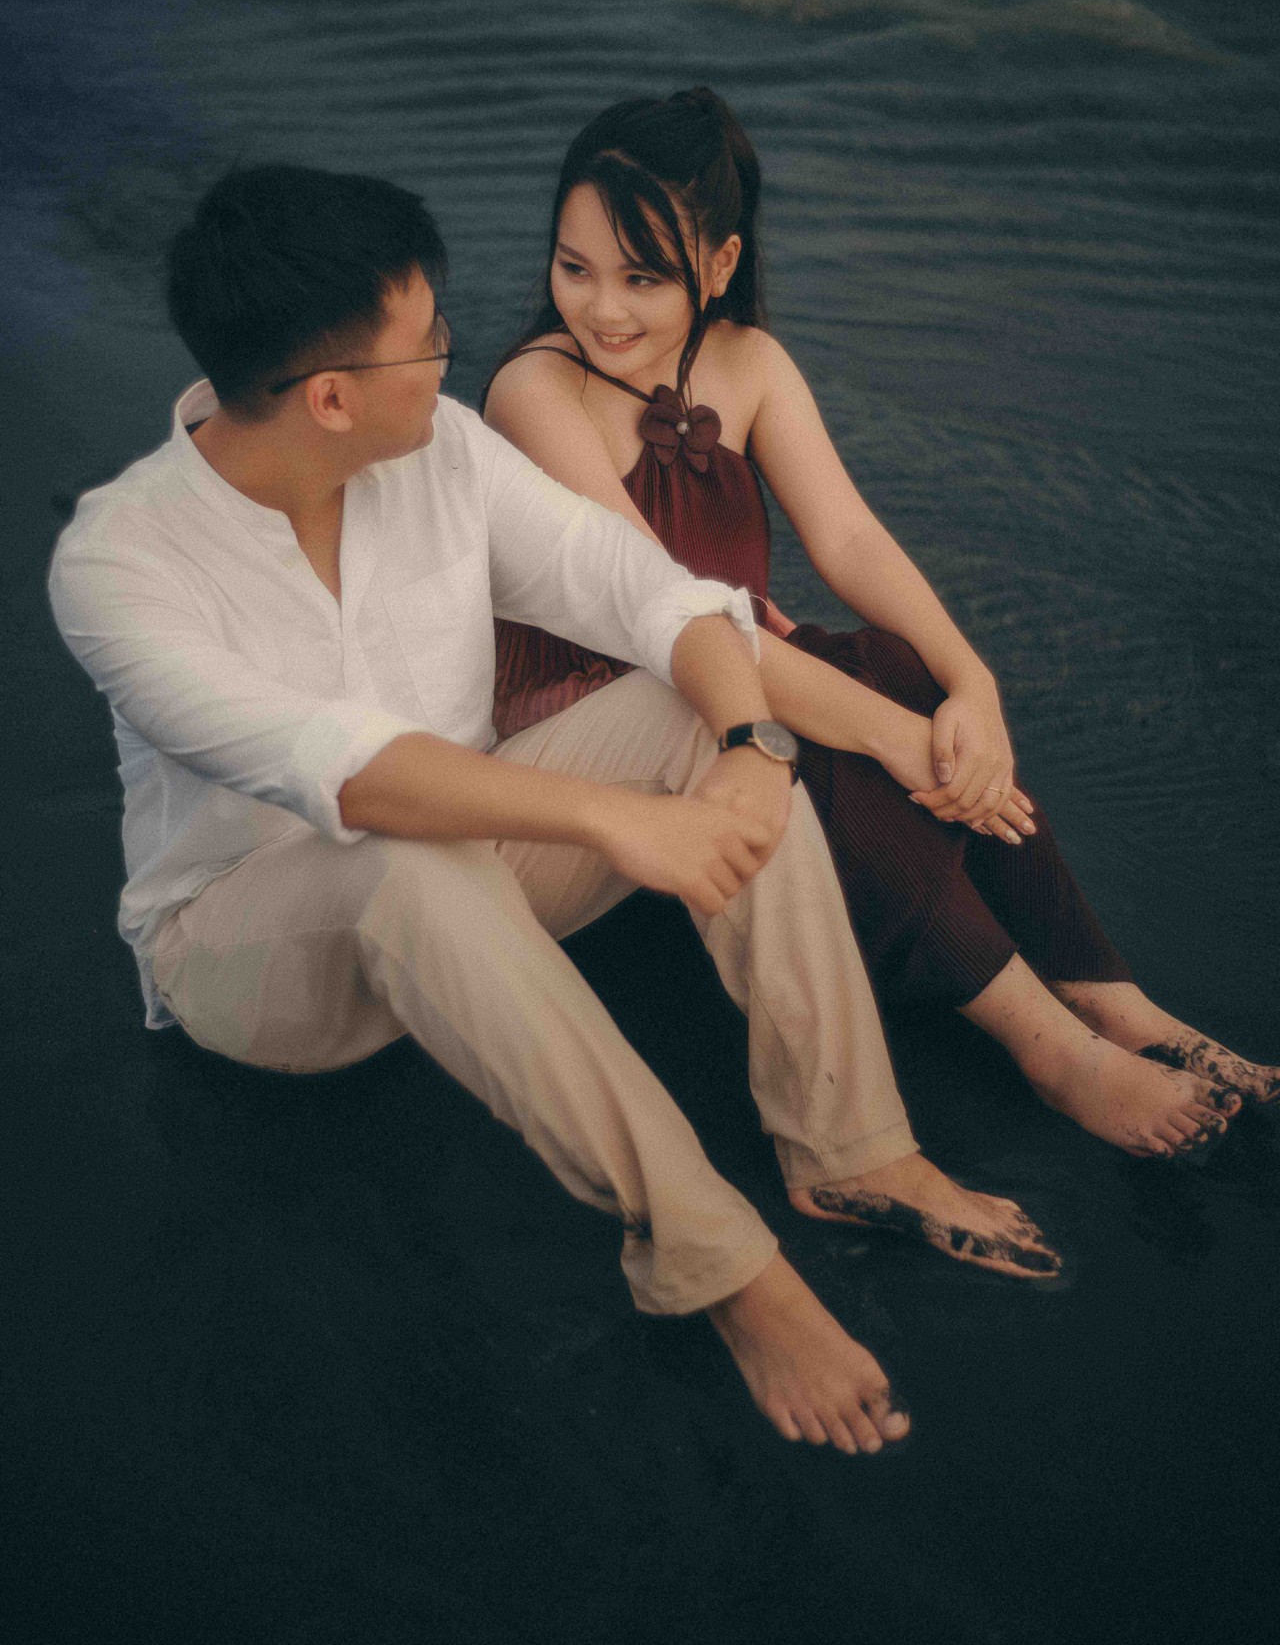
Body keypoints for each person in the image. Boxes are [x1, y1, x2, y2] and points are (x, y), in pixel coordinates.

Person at [50, 166, 1077, 1462]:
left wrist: (749, 745)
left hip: (479, 884)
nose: (454, 355)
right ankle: (723, 1267)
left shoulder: (440, 451)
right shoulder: (120, 561)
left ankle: (848, 1147)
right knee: (397, 862)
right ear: (330, 397)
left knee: (680, 706)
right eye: (428, 338)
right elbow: (341, 771)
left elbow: (642, 590)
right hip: (260, 963)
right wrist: (611, 824)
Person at [483, 86, 1276, 1159]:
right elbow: (665, 620)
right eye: (574, 268)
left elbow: (848, 538)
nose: (602, 310)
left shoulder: (747, 361)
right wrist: (894, 739)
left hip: (734, 667)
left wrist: (971, 686)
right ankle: (1047, 1046)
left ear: (717, 266)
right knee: (828, 735)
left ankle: (1105, 992)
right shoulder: (536, 393)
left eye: (643, 278)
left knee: (895, 668)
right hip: (613, 726)